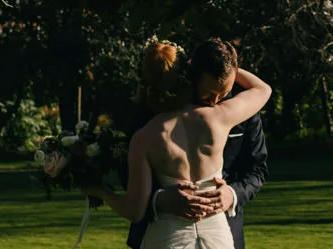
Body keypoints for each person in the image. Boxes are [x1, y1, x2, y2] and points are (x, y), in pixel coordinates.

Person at [86, 39, 272, 249]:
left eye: (223, 91)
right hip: (217, 236)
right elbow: (263, 89)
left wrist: (99, 191)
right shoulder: (221, 117)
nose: (217, 99)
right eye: (210, 92)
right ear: (190, 76)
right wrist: (231, 67)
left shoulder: (144, 137)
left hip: (167, 236)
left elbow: (134, 210)